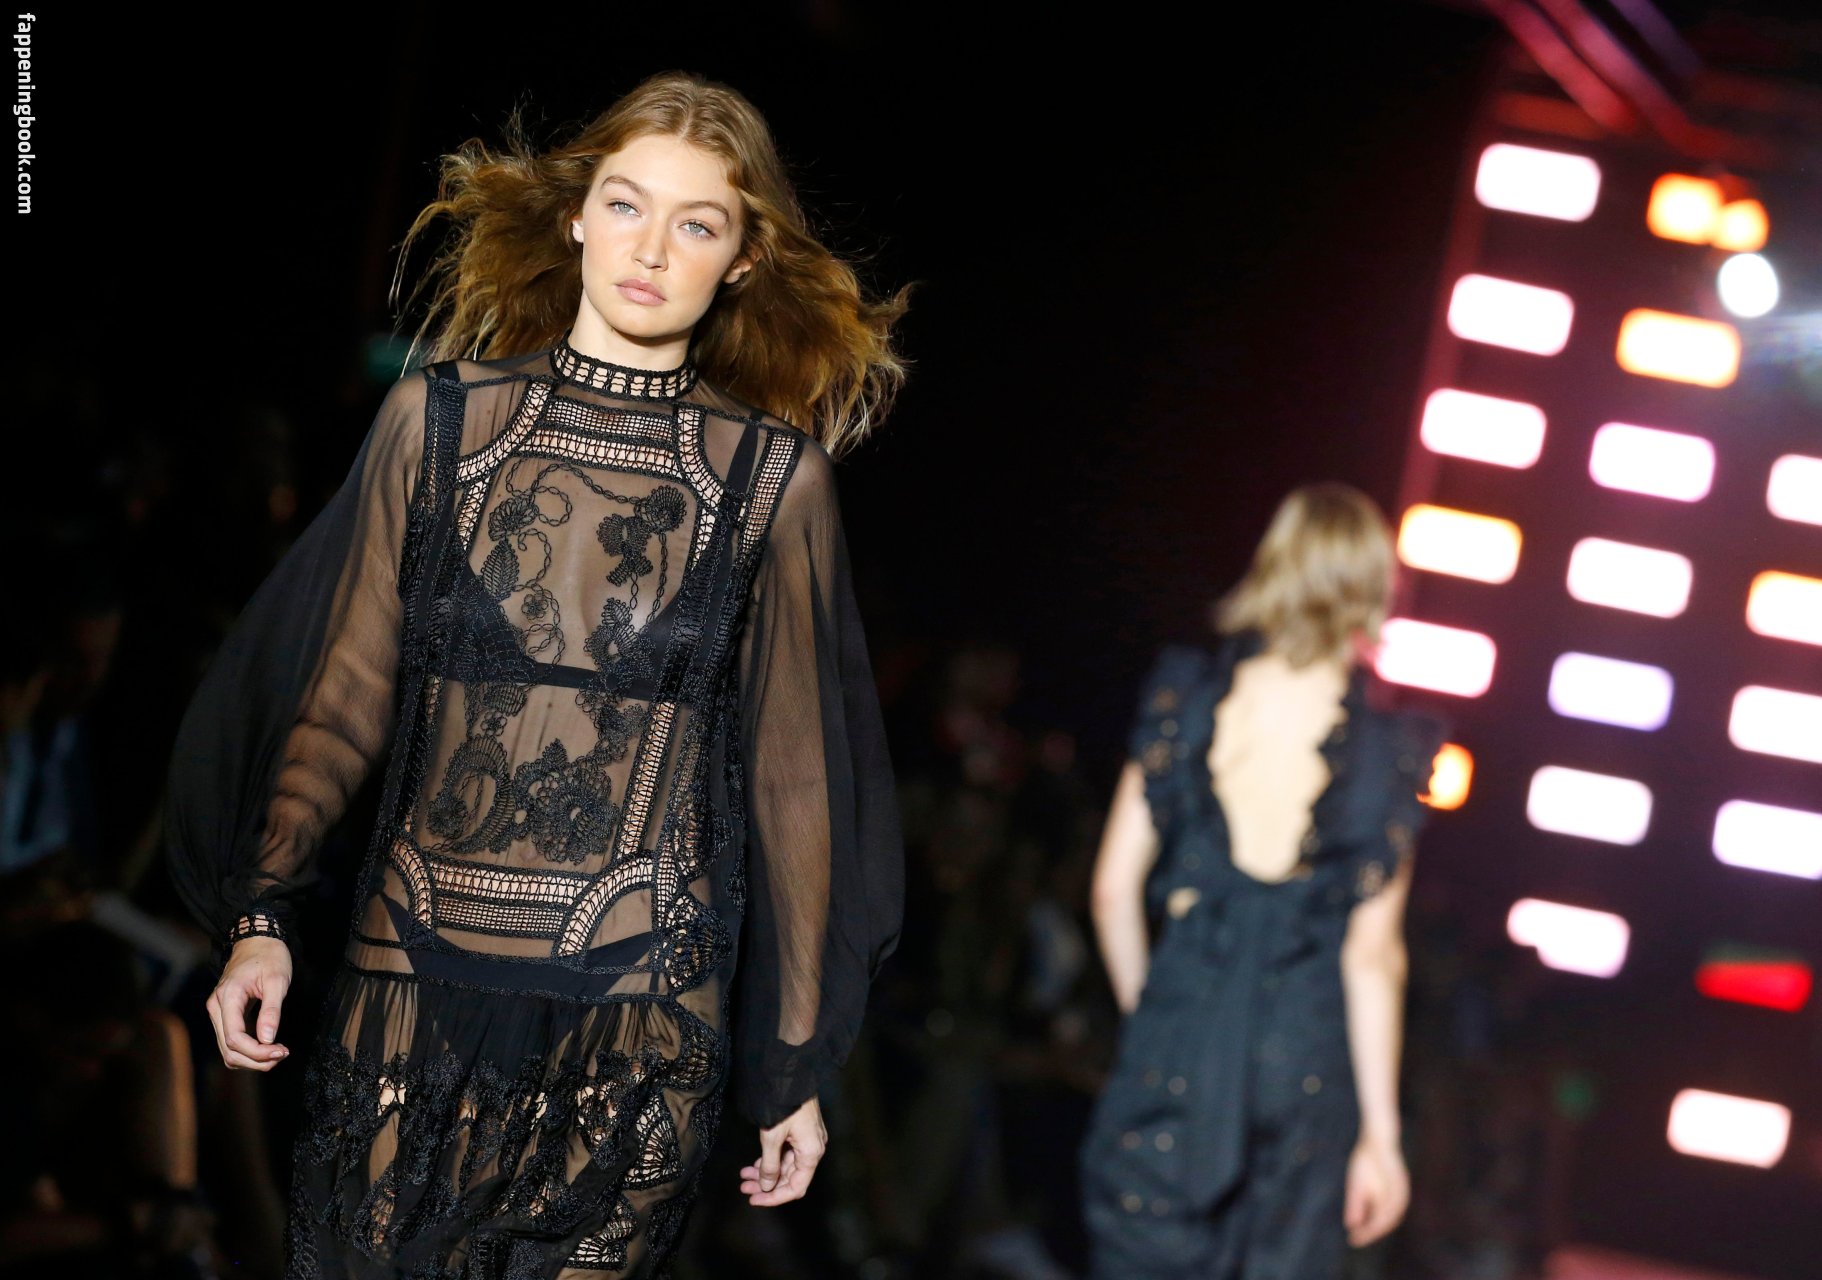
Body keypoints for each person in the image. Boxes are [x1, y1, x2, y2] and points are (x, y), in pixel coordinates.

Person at [163, 70, 909, 1278]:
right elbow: (345, 692)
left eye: (696, 223)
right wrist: (263, 914)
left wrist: (793, 1065)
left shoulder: (773, 482)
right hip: (409, 985)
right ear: (575, 216)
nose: (650, 249)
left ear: (743, 259)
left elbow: (793, 785)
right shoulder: (437, 422)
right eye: (625, 204)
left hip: (639, 1013)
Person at [1077, 482, 1447, 1279]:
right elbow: (1372, 958)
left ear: (1274, 564)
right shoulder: (1386, 754)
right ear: (1373, 586)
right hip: (1300, 1067)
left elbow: (1111, 890)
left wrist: (1153, 1016)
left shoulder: (1187, 701)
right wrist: (1381, 1137)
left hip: (1178, 1041)